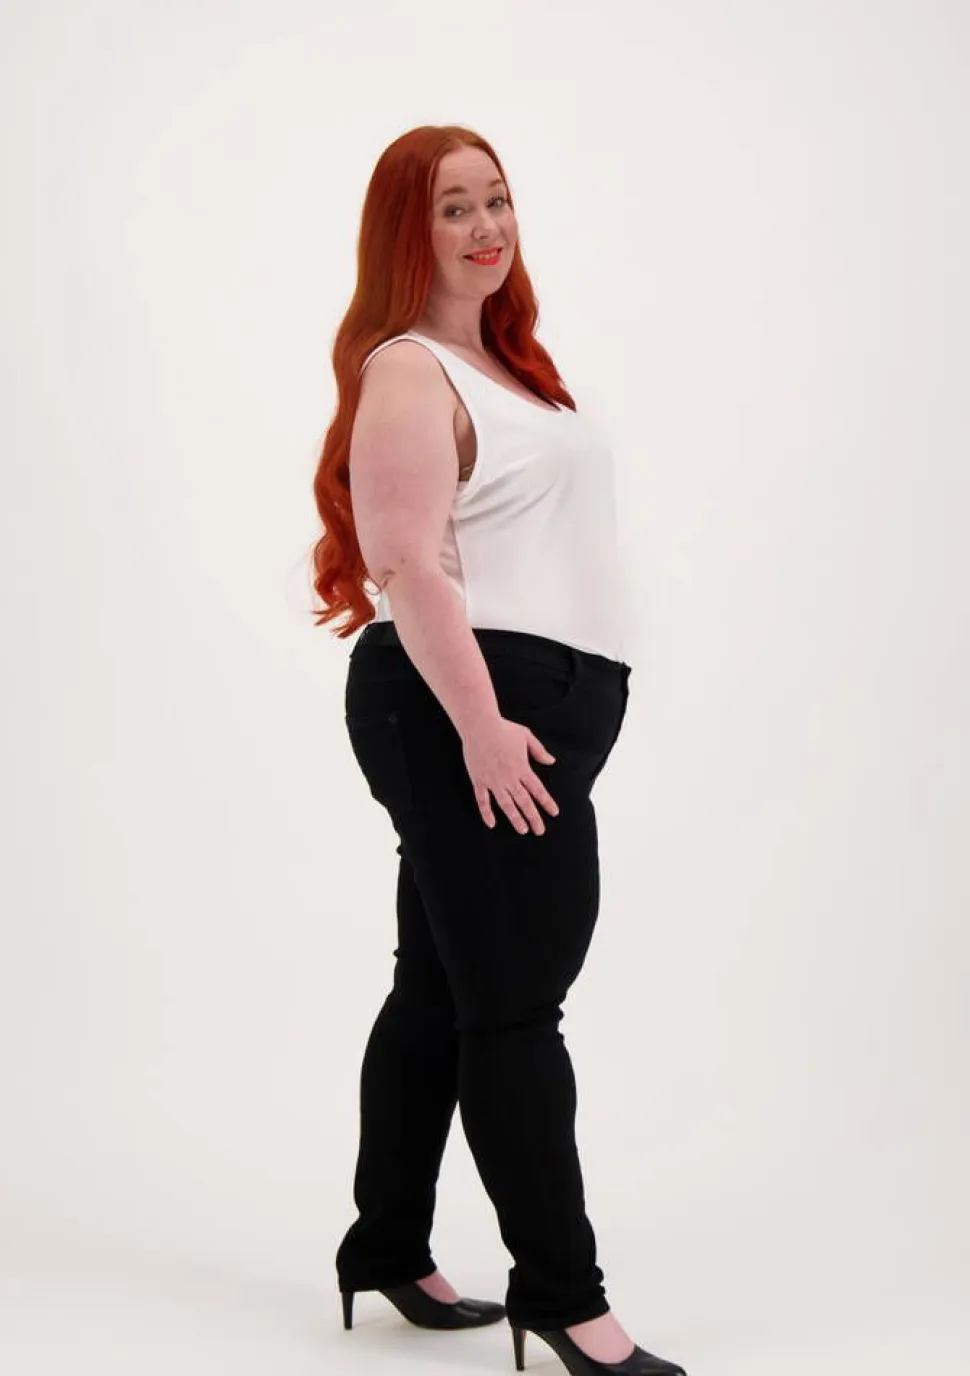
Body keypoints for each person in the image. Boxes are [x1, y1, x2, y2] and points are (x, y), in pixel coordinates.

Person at [309, 125, 687, 1376]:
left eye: (497, 200)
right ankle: (566, 1298)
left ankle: (385, 1241)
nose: (485, 228)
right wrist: (479, 726)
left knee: (441, 981)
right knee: (517, 1004)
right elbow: (407, 562)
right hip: (458, 706)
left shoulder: (508, 368)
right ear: (404, 234)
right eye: (452, 208)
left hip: (518, 706)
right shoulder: (408, 371)